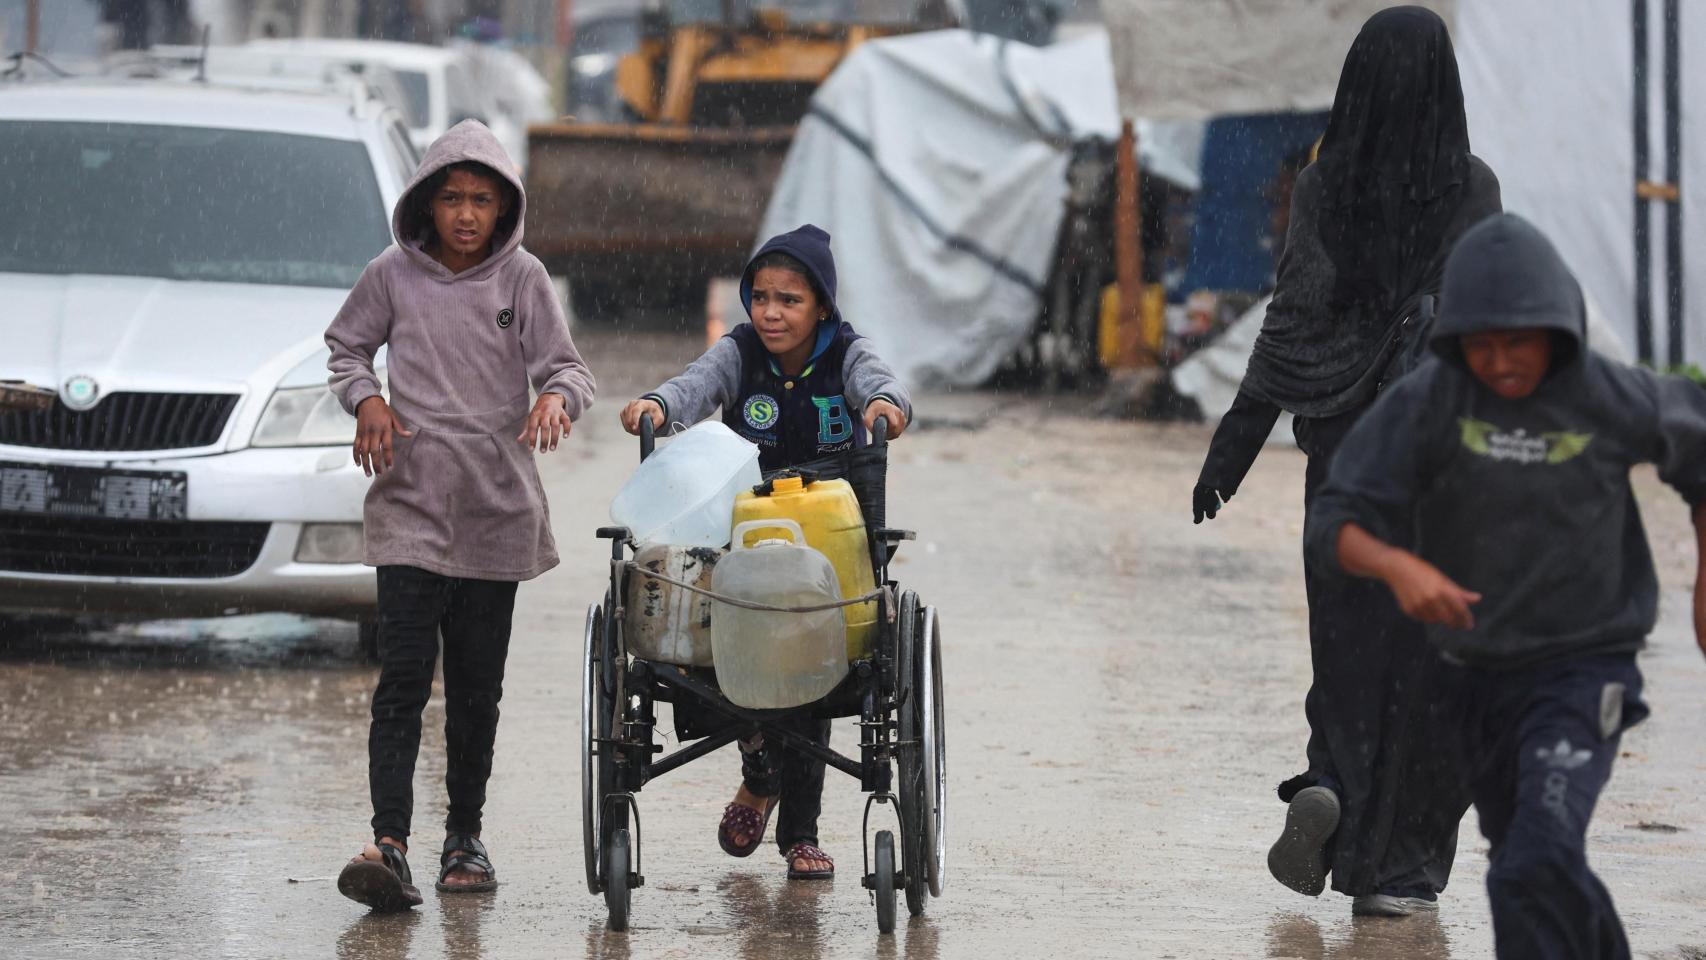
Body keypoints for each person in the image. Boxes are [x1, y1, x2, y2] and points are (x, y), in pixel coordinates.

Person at [1305, 213, 1706, 958]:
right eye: (1481, 344)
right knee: (1534, 859)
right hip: (1470, 678)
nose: (1501, 361)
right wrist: (1399, 565)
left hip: (1583, 671)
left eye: (1518, 340)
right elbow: (1335, 520)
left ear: (1559, 329)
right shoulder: (1434, 400)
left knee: (1530, 864)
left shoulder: (1606, 395)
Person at [1191, 6, 1503, 915]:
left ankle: (1334, 785)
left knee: (1350, 648)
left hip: (1343, 463)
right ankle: (1399, 871)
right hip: (1440, 468)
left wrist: (1232, 447)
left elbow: (1294, 318)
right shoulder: (1473, 188)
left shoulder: (1326, 186)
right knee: (1433, 658)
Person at [325, 120, 597, 912]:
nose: (467, 215)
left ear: (504, 206)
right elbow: (346, 348)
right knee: (402, 680)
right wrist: (367, 398)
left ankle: (464, 838)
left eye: (482, 200)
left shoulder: (524, 280)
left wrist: (554, 398)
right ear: (426, 202)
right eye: (452, 198)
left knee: (477, 690)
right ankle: (390, 843)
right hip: (409, 507)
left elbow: (570, 367)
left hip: (494, 513)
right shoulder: (391, 275)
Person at [619, 224, 912, 879]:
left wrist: (889, 406)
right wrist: (658, 407)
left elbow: (882, 386)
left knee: (812, 665)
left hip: (828, 542)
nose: (771, 313)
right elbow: (694, 387)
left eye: (790, 300)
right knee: (726, 649)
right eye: (761, 297)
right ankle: (758, 771)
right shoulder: (741, 351)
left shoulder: (847, 354)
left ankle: (800, 833)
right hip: (746, 530)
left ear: (822, 309)